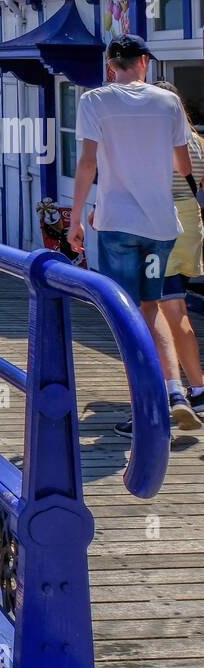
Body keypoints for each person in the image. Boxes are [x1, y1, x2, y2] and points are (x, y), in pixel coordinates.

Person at [66, 35, 196, 430]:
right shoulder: (169, 102)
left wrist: (74, 219)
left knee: (125, 317)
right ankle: (175, 391)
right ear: (143, 62)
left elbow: (88, 164)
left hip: (117, 225)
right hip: (160, 228)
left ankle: (144, 411)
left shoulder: (94, 102)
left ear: (111, 66)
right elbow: (185, 167)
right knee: (151, 307)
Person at [155, 81, 204, 419]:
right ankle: (196, 390)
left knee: (168, 312)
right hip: (191, 226)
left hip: (163, 226)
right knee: (176, 307)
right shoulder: (198, 142)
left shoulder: (160, 141)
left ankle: (177, 393)